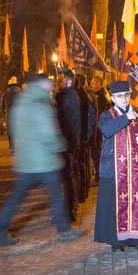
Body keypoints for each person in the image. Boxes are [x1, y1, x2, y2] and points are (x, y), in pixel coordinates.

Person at [0, 73, 84, 245]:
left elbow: (15, 129)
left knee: (16, 197)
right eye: (48, 83)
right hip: (44, 160)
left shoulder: (21, 102)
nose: (51, 85)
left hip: (26, 160)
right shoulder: (41, 105)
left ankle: (0, 230)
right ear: (41, 85)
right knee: (56, 195)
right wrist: (61, 145)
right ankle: (64, 230)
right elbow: (49, 133)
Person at [94, 81, 138, 252]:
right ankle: (116, 241)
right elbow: (106, 130)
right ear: (113, 98)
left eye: (126, 95)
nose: (124, 99)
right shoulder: (107, 115)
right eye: (120, 96)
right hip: (115, 170)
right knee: (115, 205)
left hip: (137, 168)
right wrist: (125, 118)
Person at [55, 68, 81, 222]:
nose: (58, 83)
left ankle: (69, 210)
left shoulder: (67, 97)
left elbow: (59, 116)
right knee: (66, 176)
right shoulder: (69, 95)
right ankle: (69, 208)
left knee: (66, 177)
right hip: (69, 141)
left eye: (60, 80)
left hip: (68, 143)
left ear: (69, 81)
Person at [74, 74, 96, 203]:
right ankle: (83, 191)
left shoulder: (82, 96)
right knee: (84, 164)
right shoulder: (83, 95)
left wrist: (86, 135)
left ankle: (82, 192)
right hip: (83, 136)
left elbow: (90, 118)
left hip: (82, 137)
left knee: (82, 164)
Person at [1, 76, 21, 153]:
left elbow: (2, 105)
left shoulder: (5, 93)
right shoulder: (20, 93)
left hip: (9, 115)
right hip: (19, 115)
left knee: (11, 132)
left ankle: (12, 148)